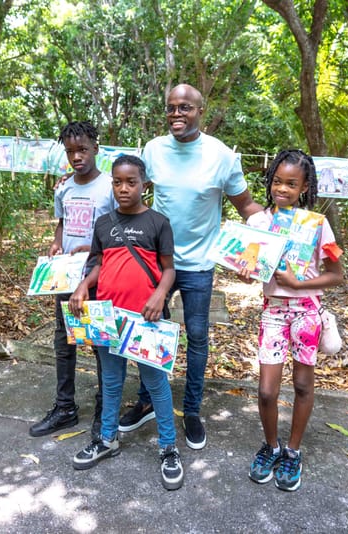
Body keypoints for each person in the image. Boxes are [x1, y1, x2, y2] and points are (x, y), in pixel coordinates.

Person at [117, 83, 263, 450]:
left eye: (185, 108)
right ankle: (148, 400)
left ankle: (192, 409)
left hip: (199, 263)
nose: (177, 114)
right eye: (171, 108)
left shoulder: (221, 156)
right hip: (155, 260)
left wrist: (276, 233)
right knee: (146, 330)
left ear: (200, 110)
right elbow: (126, 185)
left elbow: (245, 205)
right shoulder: (152, 150)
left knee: (197, 337)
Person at [69, 155, 183, 491]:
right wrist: (83, 286)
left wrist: (161, 294)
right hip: (108, 317)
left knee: (156, 384)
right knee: (112, 381)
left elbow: (170, 268)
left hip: (145, 320)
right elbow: (98, 263)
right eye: (117, 182)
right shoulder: (104, 223)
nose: (123, 188)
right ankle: (107, 440)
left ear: (144, 184)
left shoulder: (158, 223)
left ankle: (168, 447)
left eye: (130, 182)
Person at [238, 149, 344, 492]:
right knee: (267, 390)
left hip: (307, 312)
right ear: (270, 182)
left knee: (301, 385)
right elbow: (249, 269)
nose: (282, 189)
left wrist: (299, 284)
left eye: (291, 184)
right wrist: (243, 271)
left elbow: (336, 274)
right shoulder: (257, 224)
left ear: (304, 187)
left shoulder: (318, 224)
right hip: (273, 312)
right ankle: (271, 446)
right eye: (277, 182)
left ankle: (293, 451)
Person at [29, 121, 116, 438]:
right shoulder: (64, 187)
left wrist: (96, 248)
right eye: (70, 151)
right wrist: (56, 243)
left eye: (82, 149)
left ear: (96, 148)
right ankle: (64, 407)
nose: (76, 156)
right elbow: (62, 224)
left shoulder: (109, 186)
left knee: (97, 343)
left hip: (97, 278)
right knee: (64, 342)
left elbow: (118, 233)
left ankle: (105, 409)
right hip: (65, 277)